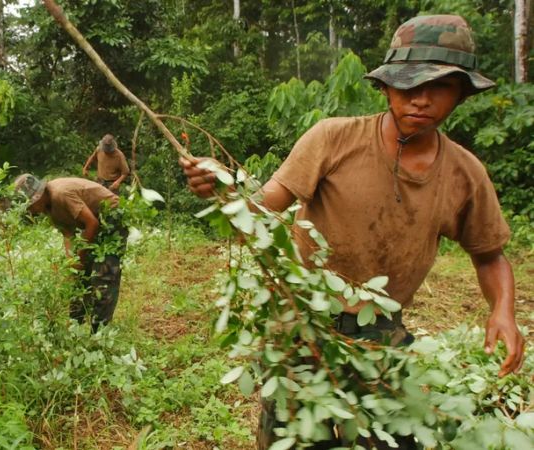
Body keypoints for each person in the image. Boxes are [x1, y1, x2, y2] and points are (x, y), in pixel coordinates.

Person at [179, 15, 524, 449]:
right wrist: (222, 189)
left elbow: (489, 254)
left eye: (439, 87)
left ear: (461, 94)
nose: (421, 99)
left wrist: (503, 312)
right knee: (299, 438)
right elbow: (264, 207)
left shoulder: (465, 173)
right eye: (408, 85)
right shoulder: (333, 139)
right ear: (385, 87)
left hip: (383, 336)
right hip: (302, 322)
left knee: (390, 439)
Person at [14, 174, 127, 333]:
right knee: (78, 278)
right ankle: (75, 327)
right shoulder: (48, 208)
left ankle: (100, 333)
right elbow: (68, 234)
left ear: (39, 196)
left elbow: (91, 224)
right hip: (92, 222)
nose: (30, 210)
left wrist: (79, 256)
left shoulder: (61, 194)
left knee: (104, 275)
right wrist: (72, 264)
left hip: (111, 217)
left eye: (31, 205)